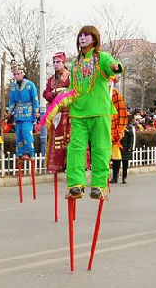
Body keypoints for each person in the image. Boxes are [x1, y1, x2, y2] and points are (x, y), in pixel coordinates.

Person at [65, 25, 123, 199]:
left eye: (87, 35)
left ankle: (98, 185)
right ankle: (76, 184)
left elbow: (114, 66)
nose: (83, 38)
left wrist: (115, 66)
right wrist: (62, 101)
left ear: (95, 39)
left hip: (99, 111)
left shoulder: (102, 58)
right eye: (80, 35)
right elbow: (72, 88)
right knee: (75, 148)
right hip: (78, 112)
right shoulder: (75, 63)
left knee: (100, 148)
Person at [43, 51, 71, 174]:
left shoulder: (71, 76)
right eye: (54, 62)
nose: (55, 64)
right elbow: (46, 93)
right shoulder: (51, 80)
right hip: (57, 114)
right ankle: (57, 166)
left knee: (70, 139)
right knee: (57, 140)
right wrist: (53, 95)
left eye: (58, 62)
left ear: (64, 62)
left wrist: (63, 94)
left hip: (69, 113)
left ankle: (72, 165)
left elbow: (75, 91)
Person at [7, 61, 39, 158]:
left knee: (26, 132)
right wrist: (9, 112)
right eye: (15, 74)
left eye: (18, 73)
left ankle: (30, 152)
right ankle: (20, 152)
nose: (16, 76)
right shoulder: (13, 87)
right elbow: (12, 101)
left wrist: (36, 111)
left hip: (28, 112)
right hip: (18, 113)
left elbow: (35, 98)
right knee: (19, 133)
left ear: (23, 73)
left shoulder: (30, 85)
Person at [110, 78, 129, 183]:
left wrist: (119, 130)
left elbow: (121, 113)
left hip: (114, 129)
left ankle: (115, 176)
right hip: (101, 126)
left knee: (116, 156)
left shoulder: (115, 94)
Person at [114, 115, 136, 184]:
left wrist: (131, 148)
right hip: (118, 147)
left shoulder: (130, 127)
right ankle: (115, 178)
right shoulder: (118, 126)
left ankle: (124, 178)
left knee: (125, 164)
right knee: (116, 163)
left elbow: (132, 138)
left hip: (126, 148)